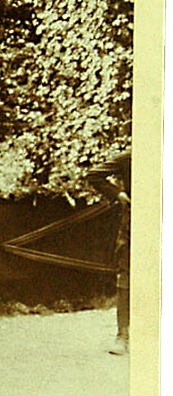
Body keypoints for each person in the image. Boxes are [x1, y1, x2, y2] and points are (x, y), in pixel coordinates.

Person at [86, 149, 131, 355]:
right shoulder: (130, 157)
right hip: (134, 226)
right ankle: (122, 336)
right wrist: (118, 194)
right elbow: (94, 174)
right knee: (126, 280)